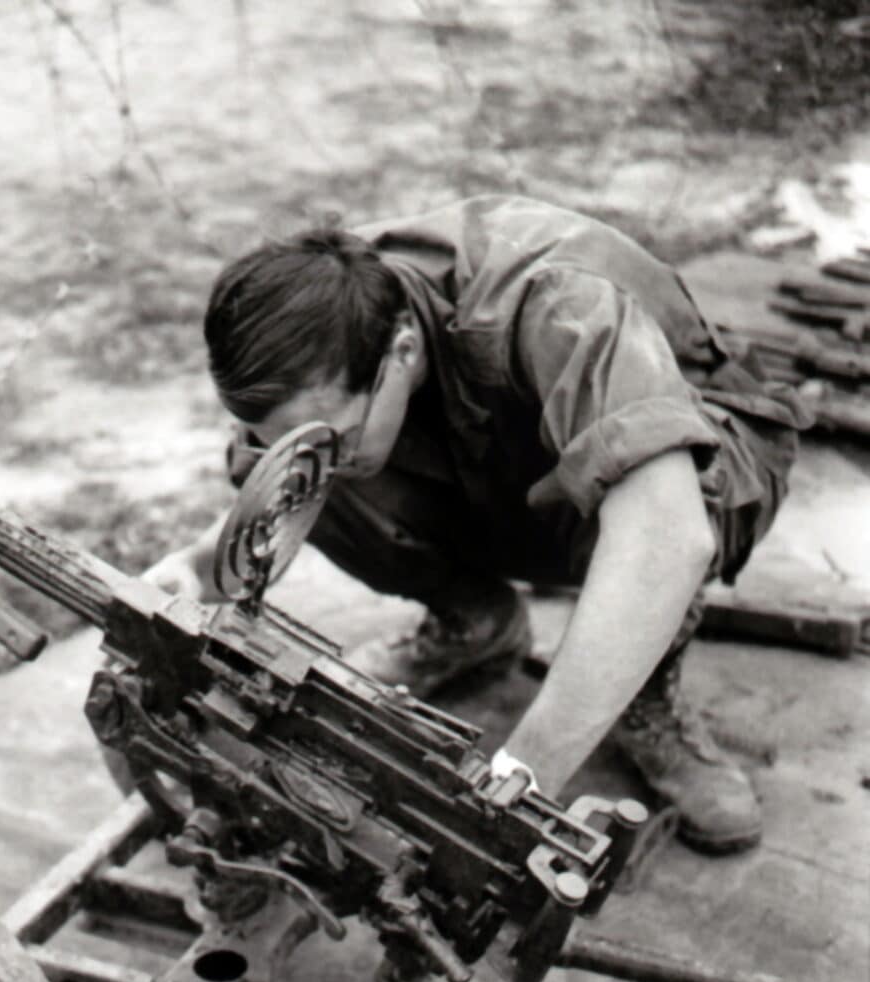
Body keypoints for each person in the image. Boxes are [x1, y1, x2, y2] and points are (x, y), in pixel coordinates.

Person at [149, 195, 809, 854]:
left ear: (402, 349)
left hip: (696, 458)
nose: (322, 459)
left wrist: (521, 779)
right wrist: (196, 571)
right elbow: (281, 483)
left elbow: (668, 538)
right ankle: (479, 620)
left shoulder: (558, 300)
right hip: (511, 467)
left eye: (335, 435)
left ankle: (643, 696)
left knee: (669, 494)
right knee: (309, 469)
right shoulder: (317, 324)